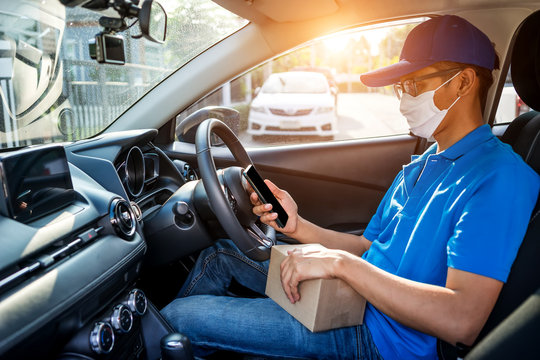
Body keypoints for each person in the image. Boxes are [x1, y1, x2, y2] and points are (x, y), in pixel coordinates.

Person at [161, 15, 540, 359]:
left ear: (463, 81)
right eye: (400, 86)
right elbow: (368, 247)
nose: (404, 96)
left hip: (381, 341)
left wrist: (340, 266)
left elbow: (461, 319)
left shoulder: (500, 178)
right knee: (220, 253)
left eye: (413, 83)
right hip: (357, 299)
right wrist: (297, 227)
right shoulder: (423, 163)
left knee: (180, 317)